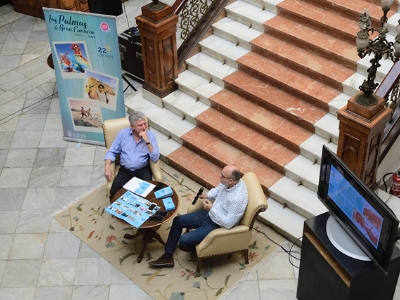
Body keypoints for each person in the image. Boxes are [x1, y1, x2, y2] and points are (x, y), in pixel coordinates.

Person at [148, 164, 248, 268]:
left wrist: (211, 209)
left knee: (183, 241)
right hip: (209, 214)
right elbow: (218, 190)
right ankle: (167, 256)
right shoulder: (228, 182)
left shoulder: (237, 199)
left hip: (216, 225)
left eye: (222, 175)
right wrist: (207, 195)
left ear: (231, 180)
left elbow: (228, 223)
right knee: (178, 220)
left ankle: (198, 243)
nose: (219, 176)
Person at [104, 111, 160, 199]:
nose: (144, 127)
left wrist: (147, 141)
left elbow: (155, 158)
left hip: (142, 169)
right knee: (115, 193)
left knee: (147, 194)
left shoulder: (151, 136)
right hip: (125, 170)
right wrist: (107, 166)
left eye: (145, 124)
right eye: (140, 125)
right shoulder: (122, 134)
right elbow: (111, 152)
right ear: (132, 127)